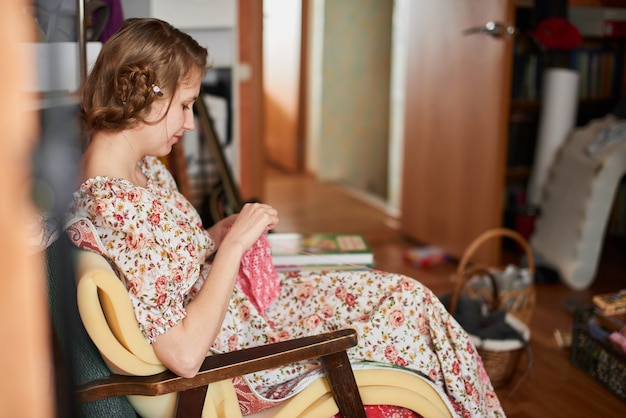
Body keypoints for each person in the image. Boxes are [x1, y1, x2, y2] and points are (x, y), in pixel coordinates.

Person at [68, 18, 505, 417]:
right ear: (146, 95)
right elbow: (183, 355)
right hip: (243, 352)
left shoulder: (132, 173)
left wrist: (216, 236)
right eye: (185, 105)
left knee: (407, 297)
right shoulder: (117, 207)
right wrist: (235, 247)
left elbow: (165, 266)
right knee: (409, 306)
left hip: (243, 321)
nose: (191, 123)